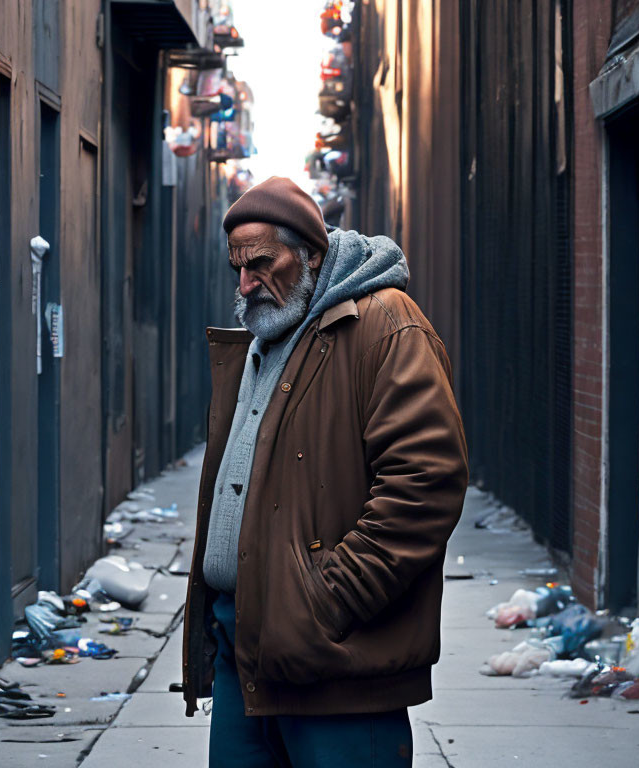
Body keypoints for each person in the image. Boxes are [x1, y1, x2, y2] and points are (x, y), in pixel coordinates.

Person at [181, 176, 468, 767]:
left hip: (335, 662)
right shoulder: (265, 339)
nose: (245, 283)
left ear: (310, 253)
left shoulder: (384, 324)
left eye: (261, 263)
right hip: (245, 650)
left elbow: (426, 482)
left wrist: (327, 600)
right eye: (236, 267)